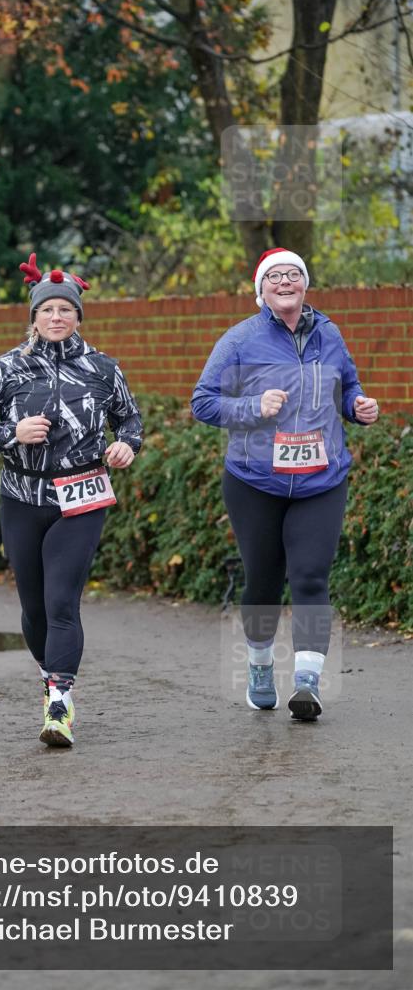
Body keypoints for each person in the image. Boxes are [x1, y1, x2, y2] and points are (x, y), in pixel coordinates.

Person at [0, 253, 143, 747]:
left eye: (66, 310)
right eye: (47, 310)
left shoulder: (104, 369)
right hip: (21, 496)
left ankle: (59, 701)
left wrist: (127, 445)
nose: (56, 317)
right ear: (33, 318)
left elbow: (130, 420)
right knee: (35, 607)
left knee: (63, 599)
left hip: (82, 495)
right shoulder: (5, 369)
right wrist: (11, 433)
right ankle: (50, 677)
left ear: (78, 317)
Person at [191, 248, 379, 721]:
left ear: (305, 284)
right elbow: (204, 402)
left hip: (321, 479)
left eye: (294, 274)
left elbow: (347, 386)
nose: (286, 281)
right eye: (275, 276)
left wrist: (357, 407)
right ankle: (258, 665)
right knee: (264, 580)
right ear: (261, 289)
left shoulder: (329, 334)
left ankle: (307, 684)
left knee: (312, 577)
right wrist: (253, 406)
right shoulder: (239, 340)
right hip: (255, 481)